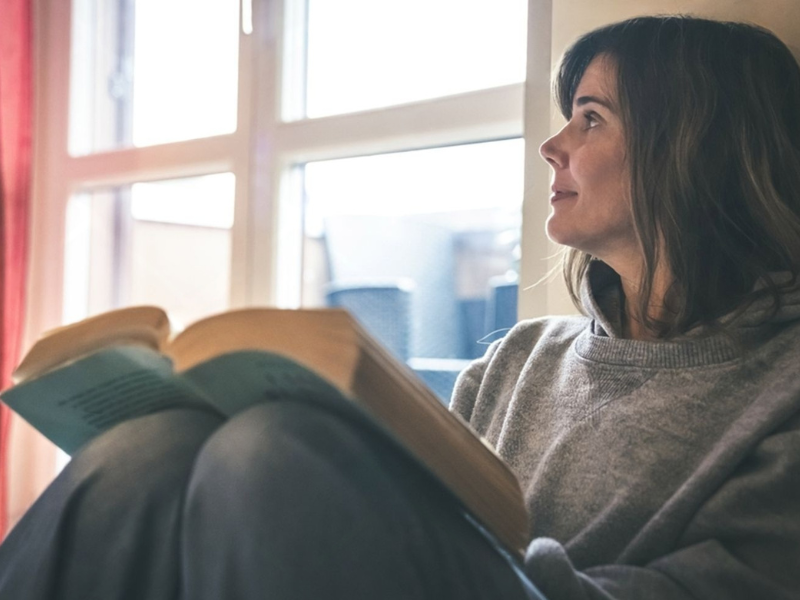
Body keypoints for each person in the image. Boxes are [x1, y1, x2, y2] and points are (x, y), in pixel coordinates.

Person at [1, 13, 799, 600]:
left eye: (592, 118)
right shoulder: (518, 361)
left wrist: (464, 542)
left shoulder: (783, 387)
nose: (553, 145)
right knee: (148, 444)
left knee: (272, 449)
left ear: (690, 150)